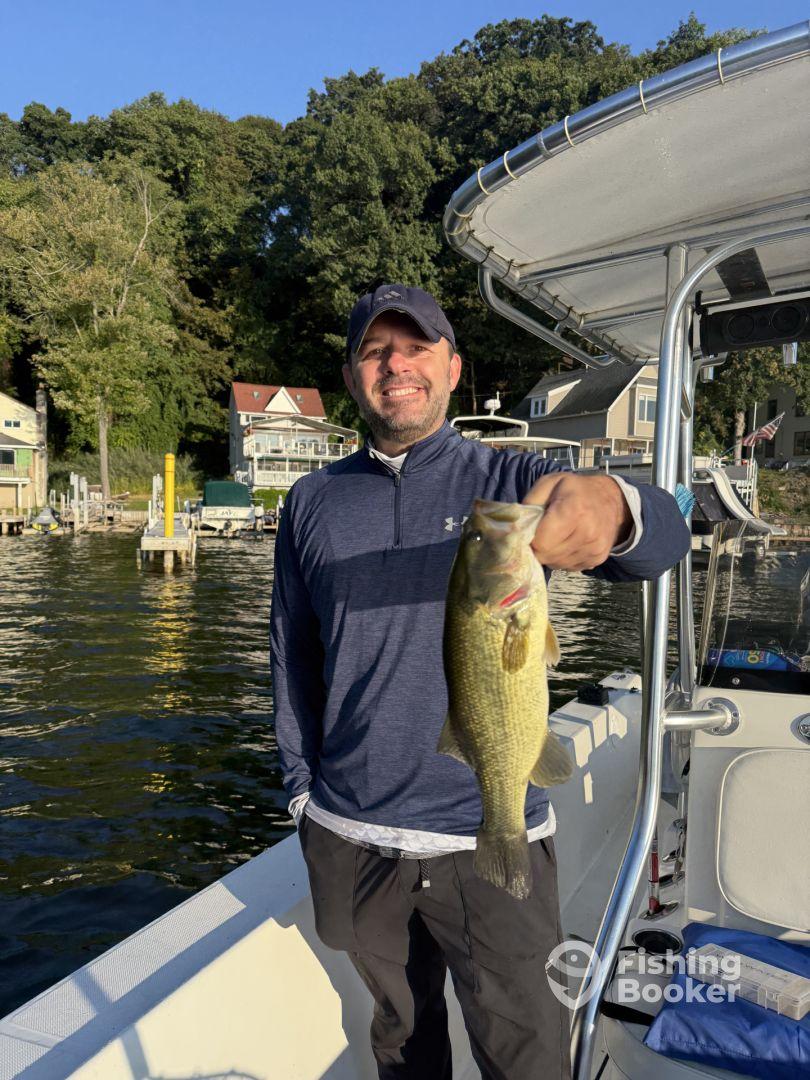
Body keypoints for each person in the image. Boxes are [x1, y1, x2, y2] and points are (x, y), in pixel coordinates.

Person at [270, 284, 690, 1080]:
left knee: (527, 1046)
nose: (396, 364)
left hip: (491, 834)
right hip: (354, 836)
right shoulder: (311, 501)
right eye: (374, 351)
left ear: (453, 368)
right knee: (400, 1039)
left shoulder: (513, 479)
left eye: (417, 346)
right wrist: (301, 793)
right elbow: (291, 652)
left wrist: (614, 507)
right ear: (355, 376)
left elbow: (658, 535)